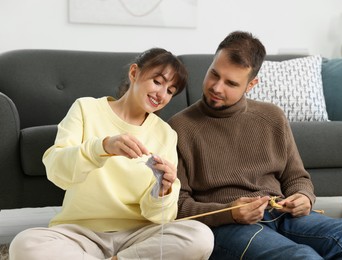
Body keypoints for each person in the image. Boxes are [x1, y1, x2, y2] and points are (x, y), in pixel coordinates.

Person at [168, 31, 342, 259]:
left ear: (251, 85)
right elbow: (177, 205)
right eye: (214, 74)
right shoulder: (180, 127)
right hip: (227, 225)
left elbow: (297, 177)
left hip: (281, 214)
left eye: (231, 83)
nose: (217, 87)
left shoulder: (272, 117)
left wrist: (303, 197)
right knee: (301, 256)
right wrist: (230, 212)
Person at [9, 48, 214, 260]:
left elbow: (161, 216)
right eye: (158, 82)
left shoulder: (166, 134)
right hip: (80, 233)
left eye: (171, 91)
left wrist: (163, 192)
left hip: (139, 237)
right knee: (25, 245)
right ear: (134, 73)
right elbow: (57, 171)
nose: (162, 95)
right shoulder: (85, 109)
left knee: (200, 237)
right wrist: (103, 147)